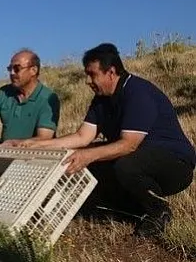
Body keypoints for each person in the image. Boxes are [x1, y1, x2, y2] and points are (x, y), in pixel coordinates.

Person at [10, 43, 196, 238]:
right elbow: (82, 137)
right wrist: (33, 144)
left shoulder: (137, 93)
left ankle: (158, 210)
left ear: (111, 72)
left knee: (121, 164)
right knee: (89, 159)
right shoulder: (101, 99)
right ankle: (129, 209)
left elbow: (128, 144)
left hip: (175, 164)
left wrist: (88, 155)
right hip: (139, 157)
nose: (87, 81)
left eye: (92, 74)